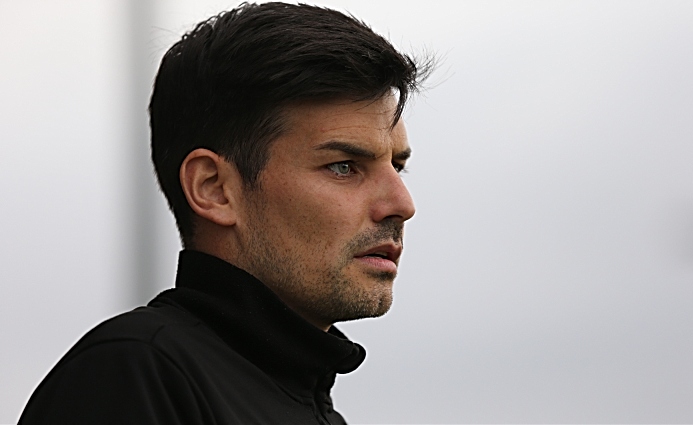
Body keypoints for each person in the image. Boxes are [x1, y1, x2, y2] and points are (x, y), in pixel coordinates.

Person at [20, 2, 432, 424]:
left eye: (397, 166)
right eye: (344, 166)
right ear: (214, 189)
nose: (402, 204)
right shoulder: (134, 374)